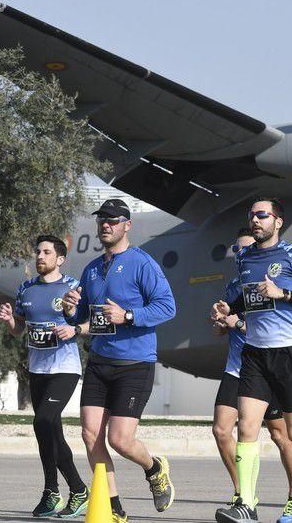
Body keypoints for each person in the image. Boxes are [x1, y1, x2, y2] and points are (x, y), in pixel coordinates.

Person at [212, 197, 292, 523]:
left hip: (290, 353)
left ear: (278, 221)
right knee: (246, 428)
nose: (255, 220)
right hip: (255, 354)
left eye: (262, 215)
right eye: (252, 215)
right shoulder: (244, 258)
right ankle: (245, 503)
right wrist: (230, 309)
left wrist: (283, 294)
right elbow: (246, 299)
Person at [62, 199, 176, 523]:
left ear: (127, 225)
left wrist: (127, 315)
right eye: (102, 220)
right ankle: (114, 509)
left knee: (120, 440)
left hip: (135, 364)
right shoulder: (92, 269)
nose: (105, 225)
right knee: (89, 435)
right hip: (99, 362)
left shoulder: (143, 264)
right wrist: (70, 309)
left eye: (112, 220)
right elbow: (83, 318)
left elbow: (168, 308)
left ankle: (154, 468)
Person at [211, 228, 292, 523]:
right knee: (221, 429)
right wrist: (220, 320)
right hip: (237, 368)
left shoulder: (272, 282)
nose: (240, 255)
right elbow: (219, 330)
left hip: (269, 365)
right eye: (236, 250)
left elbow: (267, 330)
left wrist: (238, 323)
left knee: (282, 434)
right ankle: (244, 495)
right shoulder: (232, 287)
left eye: (245, 249)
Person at [0, 235, 89, 518]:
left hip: (65, 368)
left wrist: (73, 328)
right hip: (37, 370)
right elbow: (19, 329)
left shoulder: (73, 287)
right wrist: (10, 319)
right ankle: (67, 492)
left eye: (47, 252)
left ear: (60, 259)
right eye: (37, 252)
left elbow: (89, 321)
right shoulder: (26, 289)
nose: (40, 256)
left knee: (44, 420)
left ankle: (65, 490)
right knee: (49, 431)